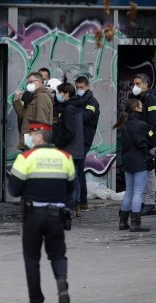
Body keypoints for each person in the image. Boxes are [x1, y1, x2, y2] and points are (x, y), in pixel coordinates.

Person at [8, 121, 75, 303]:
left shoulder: (26, 157)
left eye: (32, 133)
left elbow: (13, 190)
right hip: (57, 215)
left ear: (40, 136)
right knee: (58, 253)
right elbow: (70, 187)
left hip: (33, 215)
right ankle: (61, 280)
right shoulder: (66, 157)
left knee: (32, 257)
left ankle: (36, 301)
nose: (29, 136)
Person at [114, 99, 152, 232]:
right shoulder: (141, 125)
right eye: (141, 106)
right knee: (138, 192)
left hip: (127, 160)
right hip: (139, 160)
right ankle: (136, 223)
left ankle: (123, 222)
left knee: (129, 192)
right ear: (136, 108)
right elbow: (145, 142)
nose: (143, 108)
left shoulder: (124, 124)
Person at [132, 73, 156, 216]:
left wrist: (146, 139)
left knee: (150, 173)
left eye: (138, 84)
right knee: (144, 173)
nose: (135, 86)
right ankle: (146, 201)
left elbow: (154, 125)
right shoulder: (140, 99)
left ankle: (150, 203)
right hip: (143, 142)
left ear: (146, 84)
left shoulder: (152, 100)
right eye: (134, 84)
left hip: (149, 143)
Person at [53, 82, 85, 216]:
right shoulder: (77, 106)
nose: (58, 95)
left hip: (69, 148)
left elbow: (69, 131)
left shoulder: (68, 108)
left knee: (70, 179)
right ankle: (76, 206)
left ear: (66, 93)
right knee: (75, 177)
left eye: (59, 92)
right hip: (77, 148)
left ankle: (70, 208)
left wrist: (58, 143)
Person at [75, 76, 101, 212]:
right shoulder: (78, 100)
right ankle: (80, 201)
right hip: (77, 140)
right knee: (77, 170)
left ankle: (82, 201)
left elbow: (84, 117)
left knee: (79, 170)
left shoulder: (91, 102)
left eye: (81, 88)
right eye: (77, 87)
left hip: (84, 140)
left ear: (87, 87)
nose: (79, 90)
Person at [13, 72, 54, 150]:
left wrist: (38, 144)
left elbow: (42, 121)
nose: (28, 85)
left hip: (35, 144)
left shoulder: (41, 97)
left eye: (30, 82)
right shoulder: (36, 97)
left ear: (38, 82)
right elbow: (24, 116)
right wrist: (16, 100)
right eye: (28, 83)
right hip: (32, 143)